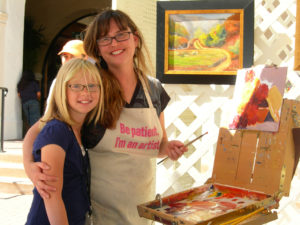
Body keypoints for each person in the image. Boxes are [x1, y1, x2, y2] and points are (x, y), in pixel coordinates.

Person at [23, 9, 187, 225]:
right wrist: (30, 167)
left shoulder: (154, 90)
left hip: (141, 212)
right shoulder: (91, 87)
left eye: (121, 34)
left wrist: (167, 149)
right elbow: (41, 128)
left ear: (135, 39)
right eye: (105, 38)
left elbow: (157, 146)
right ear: (97, 48)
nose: (114, 43)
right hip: (99, 215)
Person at [25, 58, 104, 225]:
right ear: (62, 89)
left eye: (92, 86)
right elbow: (52, 196)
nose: (86, 92)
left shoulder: (78, 129)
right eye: (76, 86)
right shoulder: (57, 131)